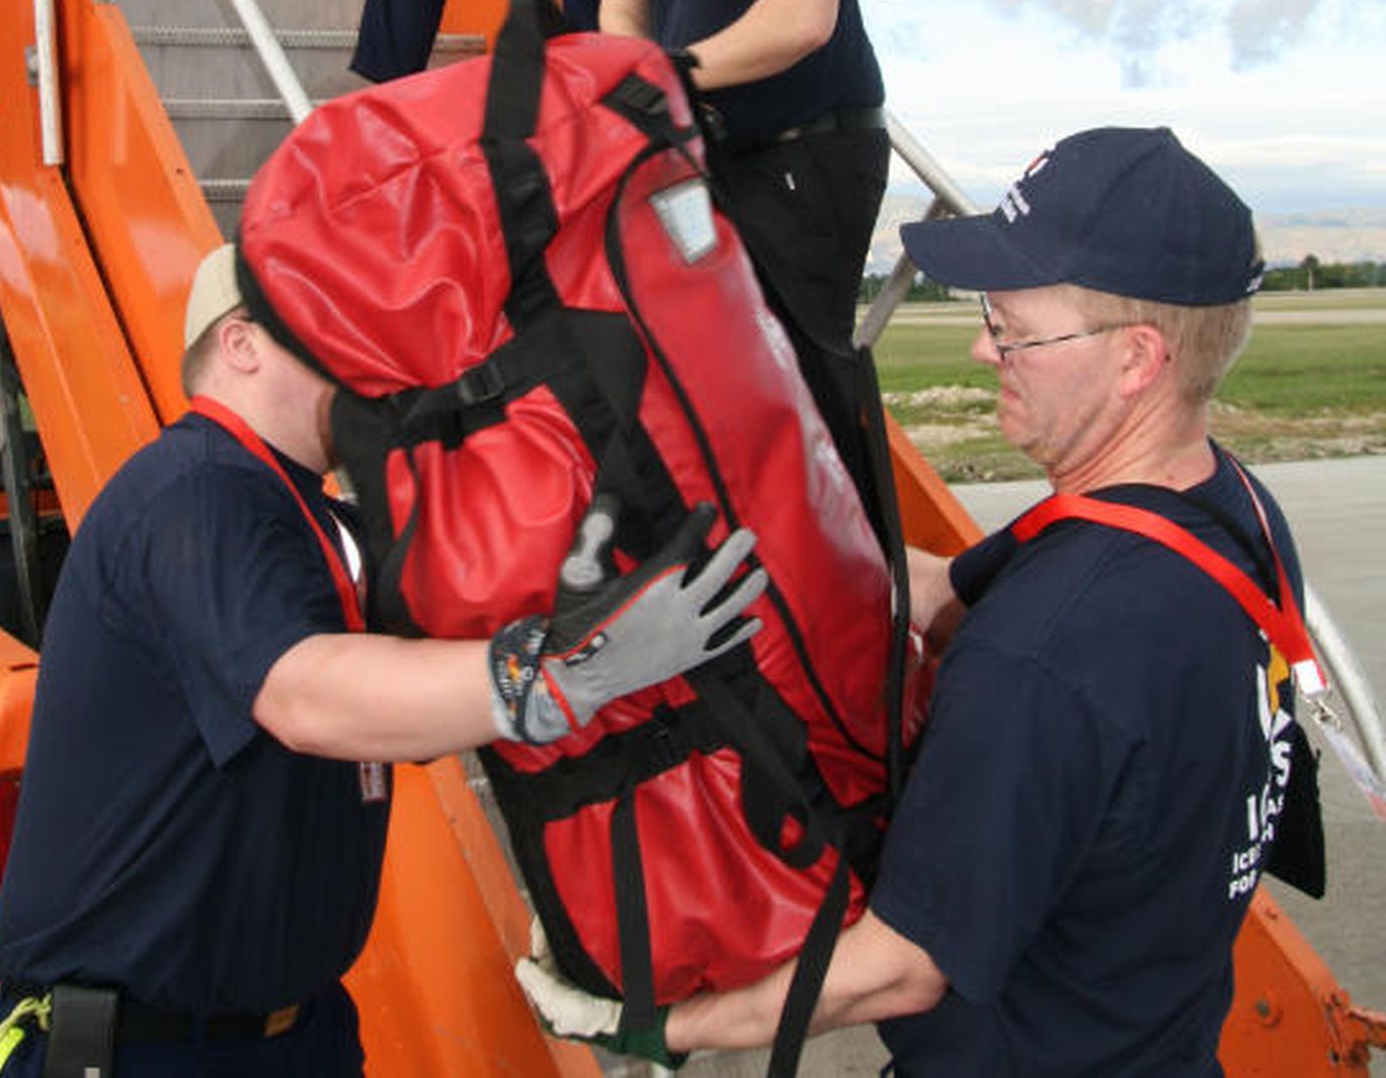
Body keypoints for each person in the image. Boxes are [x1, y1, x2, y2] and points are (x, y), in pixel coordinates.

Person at [519, 126, 1321, 1076]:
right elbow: (949, 592)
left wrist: (651, 1022)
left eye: (1011, 323)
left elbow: (895, 971)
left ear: (1137, 358)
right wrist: (745, 516)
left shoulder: (1046, 652)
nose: (985, 349)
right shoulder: (1227, 513)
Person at [0, 244, 768, 1078]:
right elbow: (307, 695)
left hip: (289, 1029)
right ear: (241, 343)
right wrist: (564, 672)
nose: (366, 356)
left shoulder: (314, 518)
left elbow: (399, 709)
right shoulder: (198, 492)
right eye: (331, 325)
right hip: (143, 1046)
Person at [600, 0, 893, 520]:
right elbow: (622, 4)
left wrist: (665, 74)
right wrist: (639, 86)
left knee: (804, 387)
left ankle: (856, 586)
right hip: (702, 149)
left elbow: (800, 19)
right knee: (720, 389)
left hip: (802, 145)